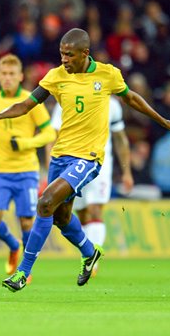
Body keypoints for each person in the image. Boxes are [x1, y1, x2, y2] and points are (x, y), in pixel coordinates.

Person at [0, 28, 170, 292]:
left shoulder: (108, 74)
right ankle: (89, 252)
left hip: (89, 157)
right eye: (62, 54)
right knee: (62, 217)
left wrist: (163, 121)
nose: (64, 60)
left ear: (85, 53)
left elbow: (132, 99)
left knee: (46, 202)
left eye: (69, 55)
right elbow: (27, 105)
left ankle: (22, 272)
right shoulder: (56, 76)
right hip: (61, 155)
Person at [0, 54, 56, 278]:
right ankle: (13, 246)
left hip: (26, 170)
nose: (7, 78)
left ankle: (25, 270)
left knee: (27, 221)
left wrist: (27, 143)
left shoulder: (31, 100)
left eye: (12, 74)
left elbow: (49, 132)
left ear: (20, 76)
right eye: (4, 74)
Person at [50, 96, 134, 275]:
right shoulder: (66, 97)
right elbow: (54, 134)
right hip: (70, 163)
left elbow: (120, 138)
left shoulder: (111, 104)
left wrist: (127, 171)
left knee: (95, 209)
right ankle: (88, 254)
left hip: (99, 163)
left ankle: (92, 264)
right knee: (81, 213)